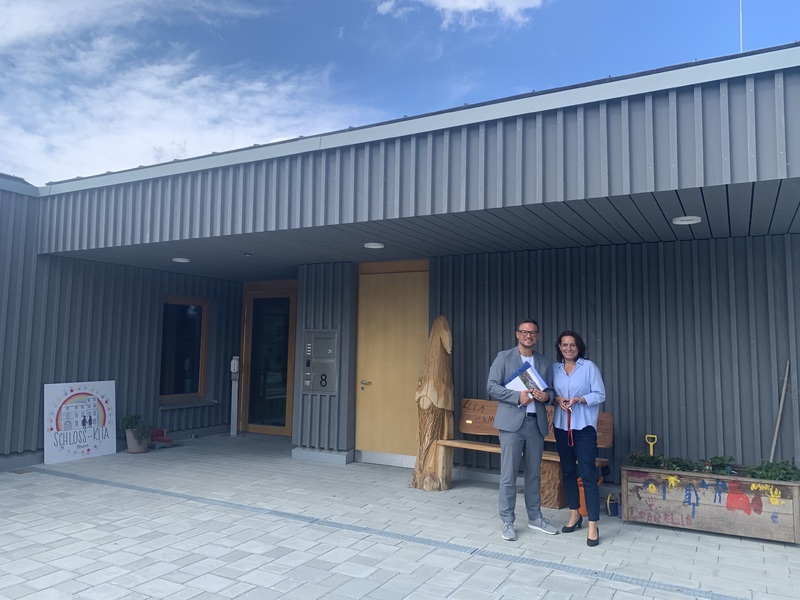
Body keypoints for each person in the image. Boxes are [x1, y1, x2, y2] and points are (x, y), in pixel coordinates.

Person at [487, 319, 558, 541]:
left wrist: (547, 397)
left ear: (538, 336)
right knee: (508, 475)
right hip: (511, 425)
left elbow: (552, 392)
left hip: (535, 426)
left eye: (533, 332)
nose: (529, 335)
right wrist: (517, 396)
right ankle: (508, 521)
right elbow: (491, 387)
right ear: (517, 334)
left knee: (534, 474)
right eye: (524, 332)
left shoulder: (544, 362)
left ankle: (535, 517)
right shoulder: (504, 357)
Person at [552, 330, 606, 547]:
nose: (568, 348)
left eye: (572, 345)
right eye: (564, 345)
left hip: (583, 429)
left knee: (587, 474)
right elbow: (548, 392)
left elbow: (600, 394)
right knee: (567, 471)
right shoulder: (554, 369)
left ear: (578, 347)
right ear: (559, 347)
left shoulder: (589, 367)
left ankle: (593, 523)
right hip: (561, 428)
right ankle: (575, 514)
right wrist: (557, 399)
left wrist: (580, 399)